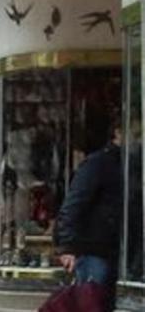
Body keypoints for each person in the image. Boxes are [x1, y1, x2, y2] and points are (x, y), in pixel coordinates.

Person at [55, 118, 125, 310]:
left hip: (113, 250)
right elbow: (74, 203)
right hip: (95, 249)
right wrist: (67, 246)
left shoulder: (128, 164)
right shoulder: (99, 162)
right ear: (118, 132)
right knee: (90, 301)